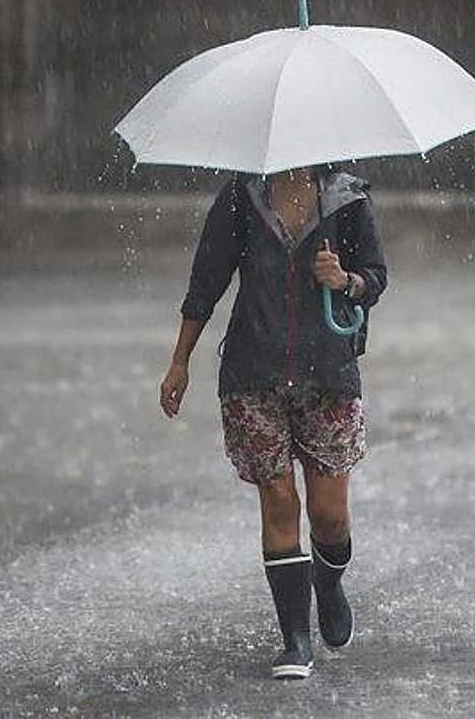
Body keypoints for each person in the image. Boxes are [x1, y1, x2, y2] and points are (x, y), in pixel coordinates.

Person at [158, 164, 387, 680]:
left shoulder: (347, 200)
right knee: (279, 501)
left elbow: (376, 275)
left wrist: (346, 280)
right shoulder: (242, 198)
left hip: (328, 373)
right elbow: (206, 280)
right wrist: (180, 361)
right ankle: (295, 639)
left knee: (329, 516)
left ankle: (327, 585)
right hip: (253, 371)